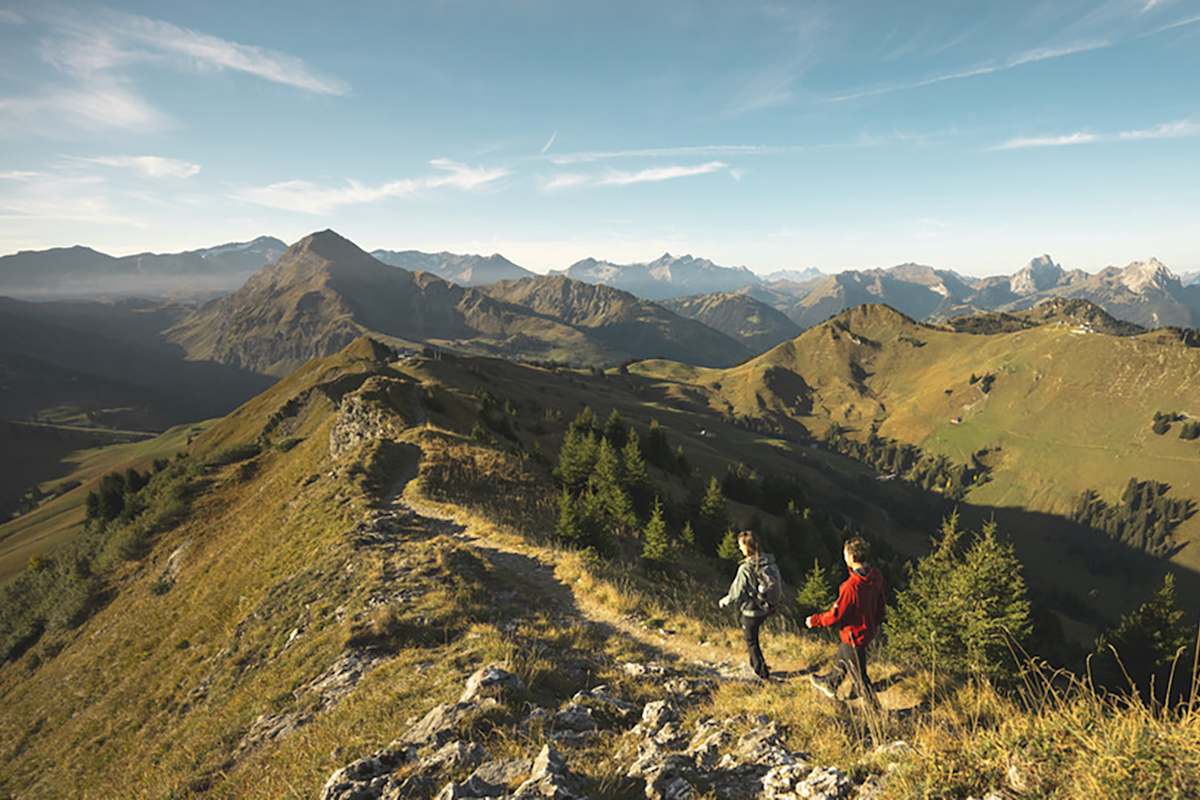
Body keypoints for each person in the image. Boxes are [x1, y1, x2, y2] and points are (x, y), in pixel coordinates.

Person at [806, 537, 885, 707]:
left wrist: (815, 620)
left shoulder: (851, 586)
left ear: (850, 557)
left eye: (845, 554)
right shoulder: (875, 576)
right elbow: (880, 602)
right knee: (844, 654)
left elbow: (836, 614)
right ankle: (831, 682)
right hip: (866, 629)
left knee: (860, 678)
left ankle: (877, 713)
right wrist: (876, 623)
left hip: (854, 634)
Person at [718, 530, 780, 680]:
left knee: (751, 641)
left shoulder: (745, 568)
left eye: (741, 545)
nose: (739, 548)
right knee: (754, 637)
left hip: (752, 610)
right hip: (766, 608)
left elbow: (736, 592)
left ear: (747, 547)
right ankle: (755, 664)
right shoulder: (768, 561)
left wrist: (724, 601)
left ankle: (762, 672)